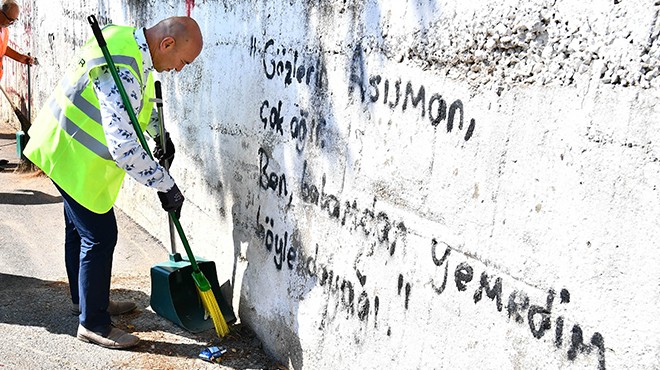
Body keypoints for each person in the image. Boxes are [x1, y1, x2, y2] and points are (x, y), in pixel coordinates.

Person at [23, 16, 203, 349]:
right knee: (100, 236)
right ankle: (93, 323)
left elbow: (136, 102)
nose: (179, 69)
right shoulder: (120, 64)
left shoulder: (127, 44)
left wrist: (158, 134)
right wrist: (165, 184)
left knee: (79, 230)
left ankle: (87, 301)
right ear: (167, 44)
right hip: (70, 153)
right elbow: (123, 148)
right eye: (182, 62)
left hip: (64, 145)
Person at [0, 0, 34, 80]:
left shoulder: (5, 30)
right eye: (10, 19)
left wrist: (19, 57)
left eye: (14, 21)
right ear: (0, 12)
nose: (11, 23)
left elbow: (2, 48)